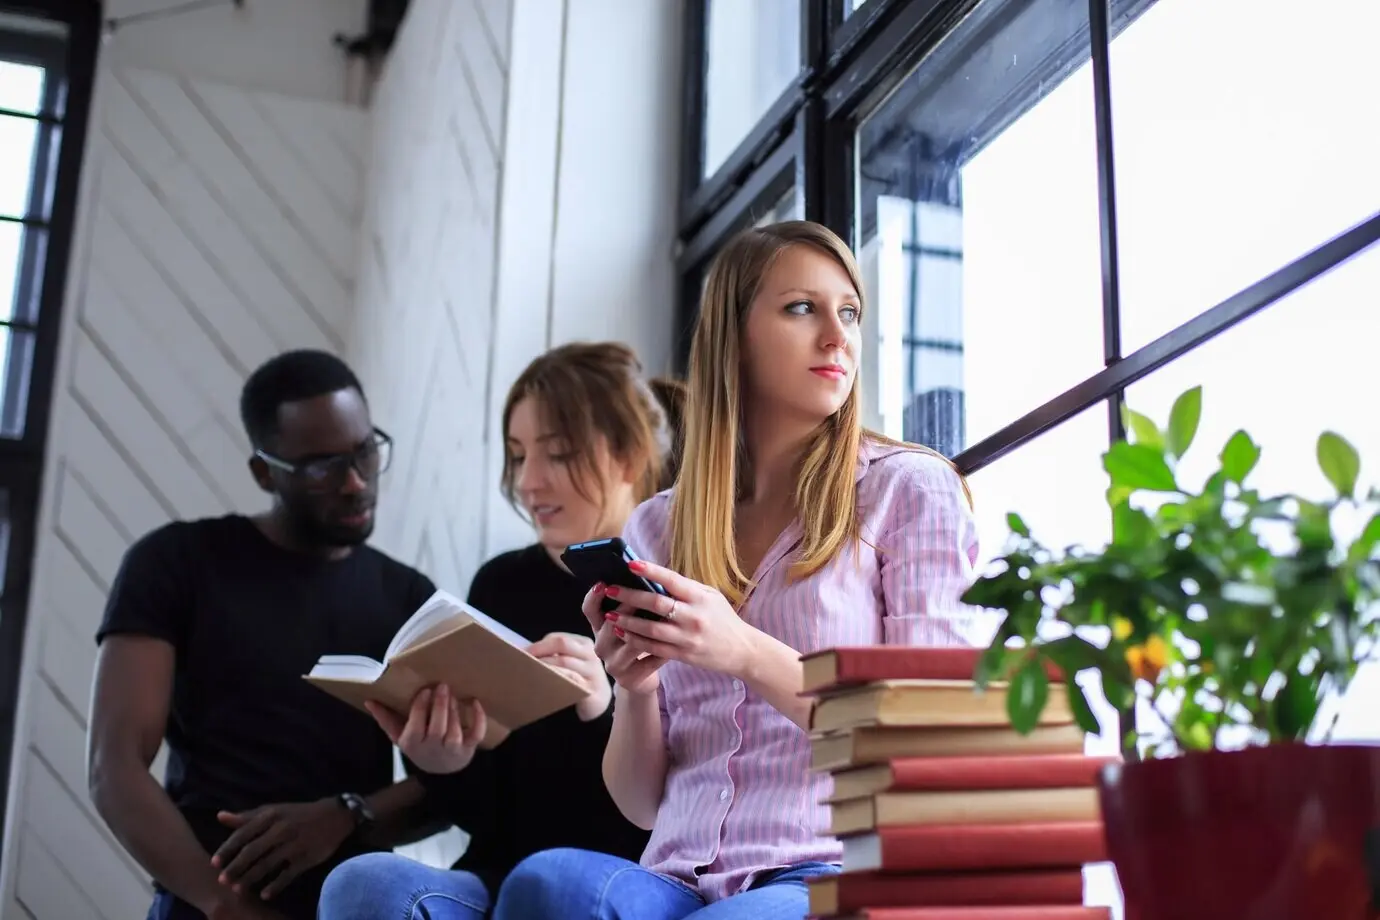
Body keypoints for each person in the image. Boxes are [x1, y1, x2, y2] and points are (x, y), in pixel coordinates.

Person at [490, 221, 992, 920]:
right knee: (542, 884)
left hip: (830, 868)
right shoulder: (659, 525)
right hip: (677, 876)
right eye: (801, 309)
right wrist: (636, 689)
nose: (837, 336)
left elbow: (932, 737)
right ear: (734, 334)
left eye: (848, 312)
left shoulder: (908, 490)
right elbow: (640, 806)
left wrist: (746, 651)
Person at [316, 342, 682, 919]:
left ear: (627, 457)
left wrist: (603, 713)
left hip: (631, 883)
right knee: (360, 885)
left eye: (556, 455)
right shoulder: (504, 584)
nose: (529, 481)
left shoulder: (681, 589)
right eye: (517, 456)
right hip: (499, 877)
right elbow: (490, 817)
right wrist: (445, 764)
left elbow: (681, 817)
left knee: (550, 884)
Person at [87, 350, 444, 920]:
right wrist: (221, 903)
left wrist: (348, 814)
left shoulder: (408, 597)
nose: (354, 483)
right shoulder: (176, 562)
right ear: (264, 471)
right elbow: (114, 767)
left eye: (364, 453)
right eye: (322, 467)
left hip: (354, 903)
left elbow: (447, 785)